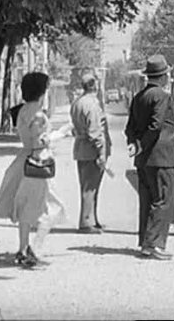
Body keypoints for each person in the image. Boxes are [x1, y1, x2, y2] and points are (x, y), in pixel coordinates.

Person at [0, 72, 69, 267]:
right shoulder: (38, 115)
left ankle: (22, 248)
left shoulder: (22, 110)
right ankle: (36, 248)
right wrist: (63, 132)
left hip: (23, 160)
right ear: (42, 91)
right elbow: (42, 140)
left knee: (25, 207)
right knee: (51, 206)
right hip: (38, 161)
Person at [124, 54, 174, 261]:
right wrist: (142, 144)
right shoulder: (162, 96)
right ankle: (155, 244)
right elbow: (156, 125)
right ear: (164, 76)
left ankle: (145, 243)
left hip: (143, 160)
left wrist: (135, 144)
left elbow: (129, 127)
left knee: (147, 200)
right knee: (163, 200)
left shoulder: (139, 97)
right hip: (161, 157)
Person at [70, 73, 108, 234]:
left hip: (80, 147)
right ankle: (86, 222)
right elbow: (94, 131)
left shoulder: (77, 102)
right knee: (90, 187)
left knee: (88, 185)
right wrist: (101, 151)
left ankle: (93, 218)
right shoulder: (92, 104)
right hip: (91, 150)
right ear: (95, 85)